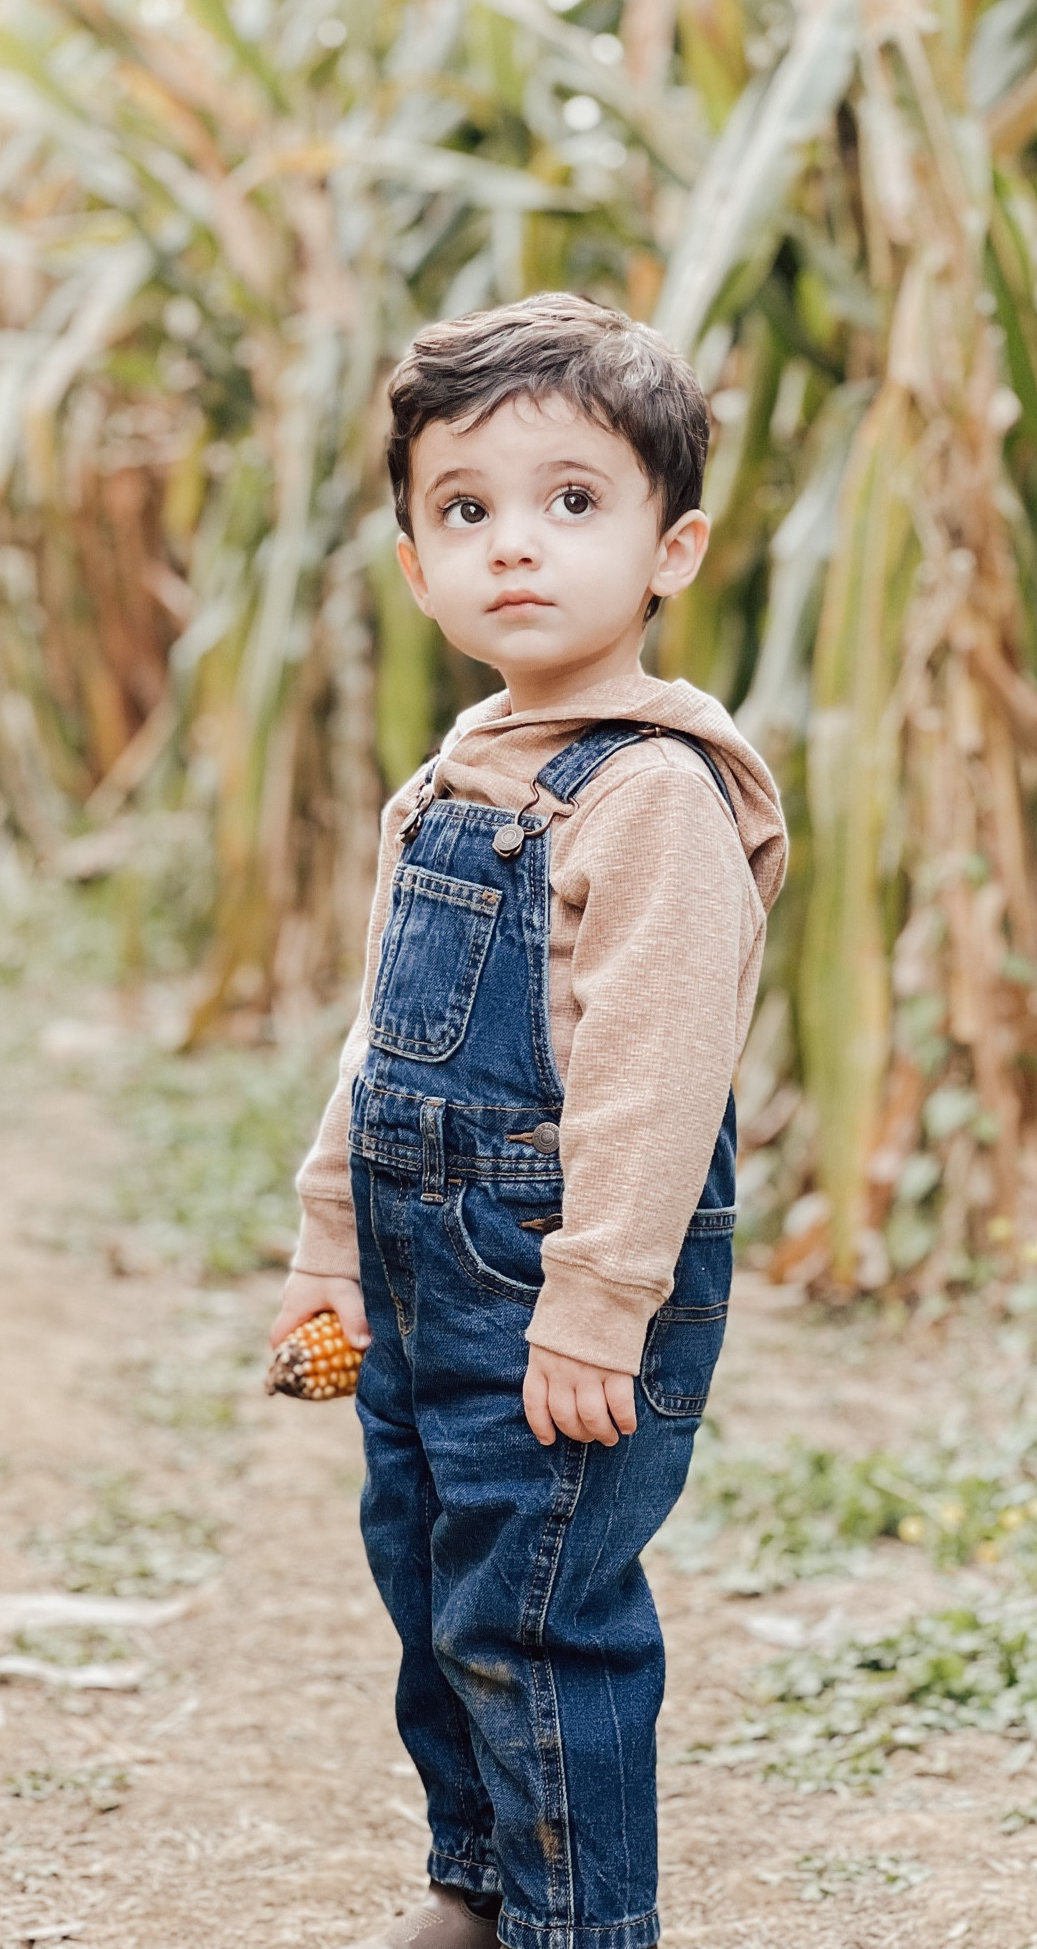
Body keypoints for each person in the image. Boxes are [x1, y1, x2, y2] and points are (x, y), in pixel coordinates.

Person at [270, 292, 787, 1949]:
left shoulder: (652, 796)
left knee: (543, 1620)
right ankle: (478, 1883)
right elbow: (380, 1045)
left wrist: (599, 1301)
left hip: (560, 1285)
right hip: (422, 1284)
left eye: (574, 502)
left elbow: (654, 1075)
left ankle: (578, 1928)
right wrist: (330, 1256)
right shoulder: (450, 781)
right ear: (415, 563)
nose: (515, 546)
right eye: (465, 510)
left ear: (671, 547)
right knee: (432, 1591)